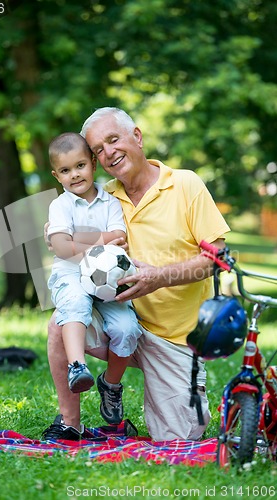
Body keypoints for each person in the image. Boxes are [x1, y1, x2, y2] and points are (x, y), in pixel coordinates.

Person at [42, 108, 230, 442]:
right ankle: (70, 422)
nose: (108, 152)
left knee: (180, 438)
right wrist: (59, 239)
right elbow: (63, 238)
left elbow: (214, 259)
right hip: (118, 316)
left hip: (176, 340)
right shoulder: (100, 196)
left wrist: (157, 277)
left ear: (137, 137)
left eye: (113, 140)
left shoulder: (185, 184)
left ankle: (112, 388)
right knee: (61, 322)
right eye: (98, 149)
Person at [46, 132, 142, 425]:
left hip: (108, 281)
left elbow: (120, 238)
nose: (74, 175)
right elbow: (62, 250)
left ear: (93, 165)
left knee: (127, 328)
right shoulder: (60, 206)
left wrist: (74, 240)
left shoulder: (110, 203)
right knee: (74, 303)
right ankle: (78, 366)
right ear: (56, 175)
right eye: (65, 171)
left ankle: (111, 384)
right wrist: (102, 242)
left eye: (80, 166)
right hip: (71, 276)